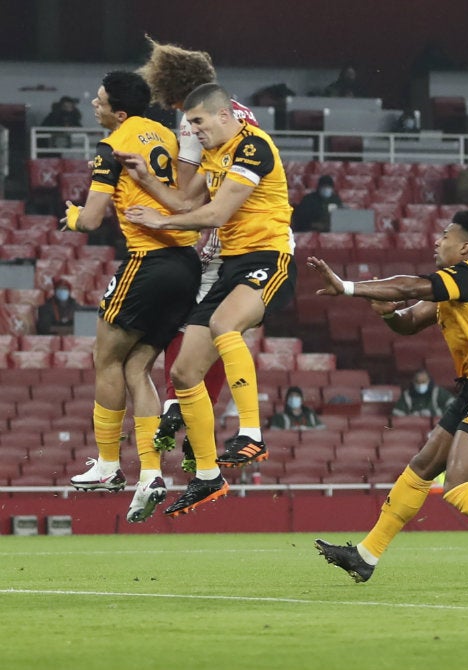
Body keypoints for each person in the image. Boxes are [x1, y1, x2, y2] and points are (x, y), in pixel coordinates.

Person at [307, 209, 468, 586]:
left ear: (465, 247)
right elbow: (411, 321)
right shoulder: (457, 285)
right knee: (421, 468)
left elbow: (408, 287)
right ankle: (366, 555)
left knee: (458, 487)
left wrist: (349, 287)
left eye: (445, 235)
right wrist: (387, 315)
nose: (437, 240)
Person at [116, 82, 296, 517]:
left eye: (197, 122)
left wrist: (161, 220)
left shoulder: (253, 148)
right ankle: (209, 475)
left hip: (268, 256)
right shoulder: (214, 153)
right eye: (189, 124)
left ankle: (251, 433)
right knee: (184, 371)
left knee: (223, 325)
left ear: (223, 116)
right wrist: (144, 179)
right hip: (232, 264)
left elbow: (215, 215)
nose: (192, 131)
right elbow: (183, 200)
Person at [63, 71, 202, 525]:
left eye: (99, 100)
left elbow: (91, 220)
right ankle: (149, 474)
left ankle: (106, 465)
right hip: (185, 265)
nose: (93, 104)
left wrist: (73, 215)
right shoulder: (162, 133)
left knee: (105, 359)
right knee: (136, 366)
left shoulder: (112, 147)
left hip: (150, 262)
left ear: (119, 113)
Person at [137, 35, 260, 468]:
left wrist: (149, 184)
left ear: (169, 87)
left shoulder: (192, 123)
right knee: (227, 333)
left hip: (224, 237)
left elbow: (187, 197)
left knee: (191, 321)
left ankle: (178, 409)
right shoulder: (238, 111)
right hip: (257, 233)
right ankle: (196, 423)